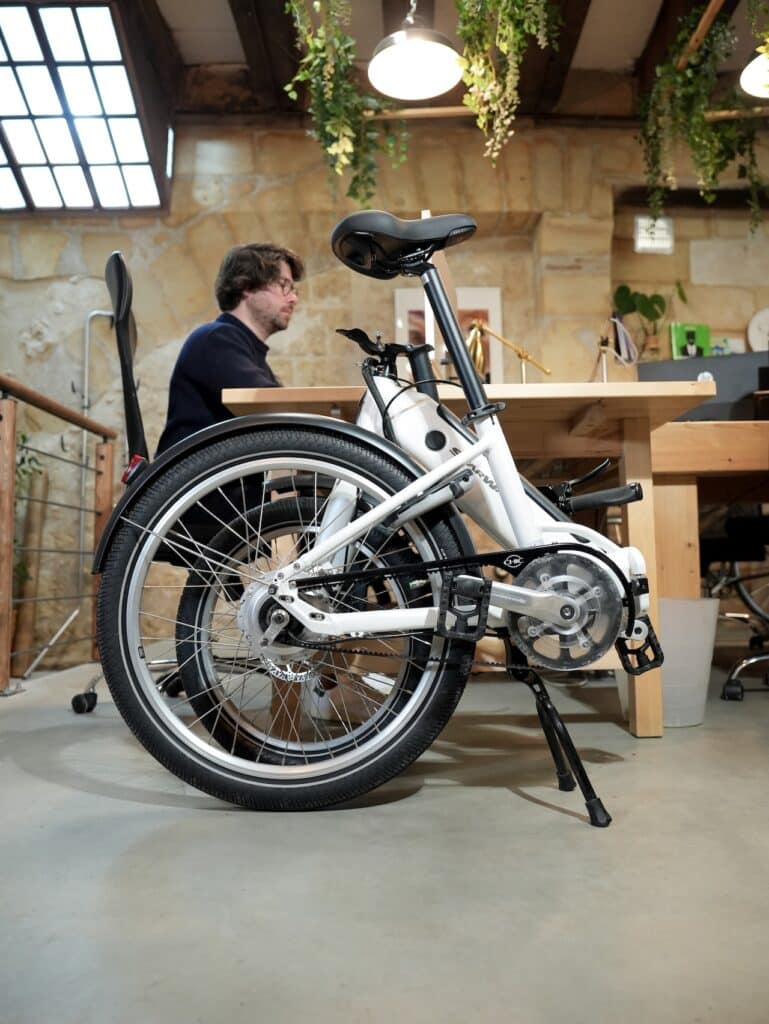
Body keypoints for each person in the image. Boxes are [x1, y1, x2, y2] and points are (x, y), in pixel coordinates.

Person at [156, 242, 304, 454]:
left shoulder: (243, 348)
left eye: (293, 289)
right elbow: (270, 406)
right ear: (247, 286)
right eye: (283, 286)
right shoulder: (216, 339)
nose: (293, 298)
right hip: (198, 471)